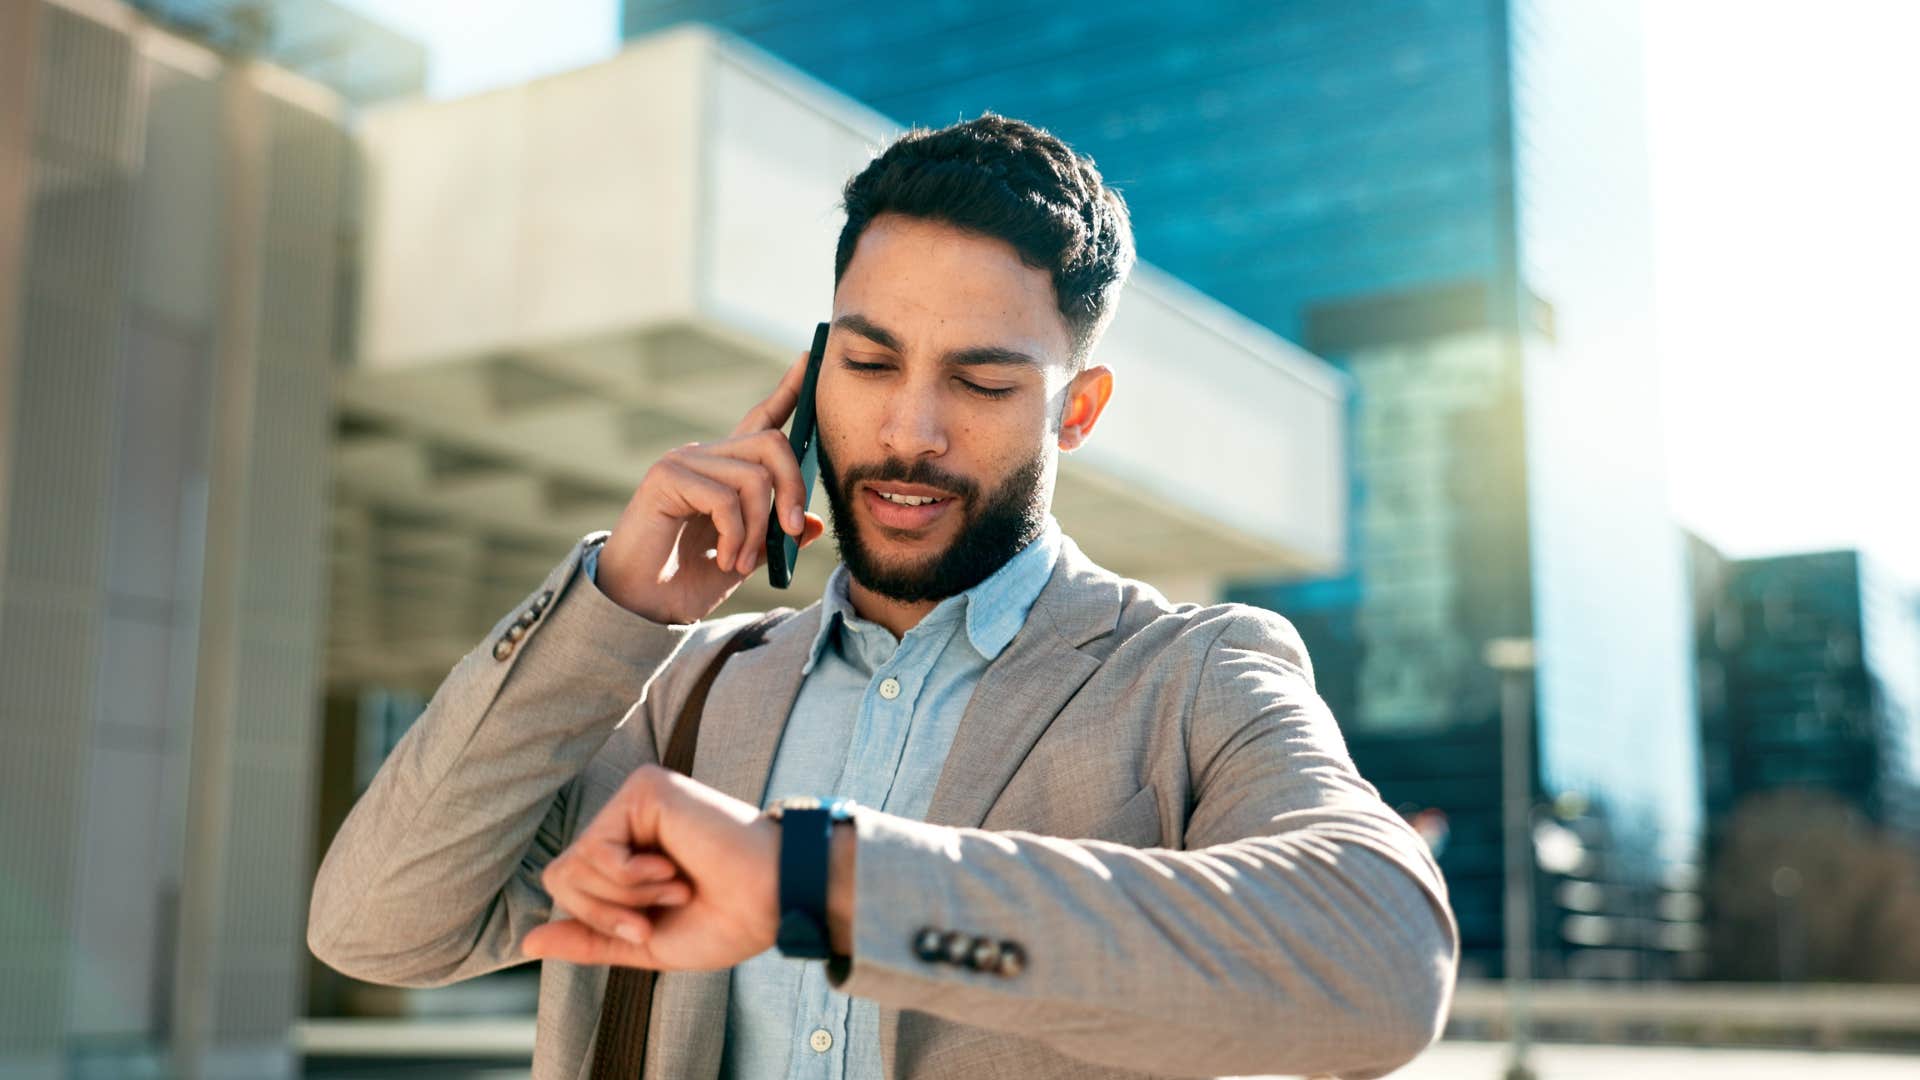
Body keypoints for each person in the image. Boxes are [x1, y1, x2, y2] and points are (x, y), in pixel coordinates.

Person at [309, 113, 1458, 1080]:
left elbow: (1383, 960)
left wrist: (821, 885)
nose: (909, 431)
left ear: (1078, 410)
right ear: (811, 378)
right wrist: (618, 604)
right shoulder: (689, 690)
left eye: (982, 380)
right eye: (868, 365)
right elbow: (376, 926)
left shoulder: (1189, 676)